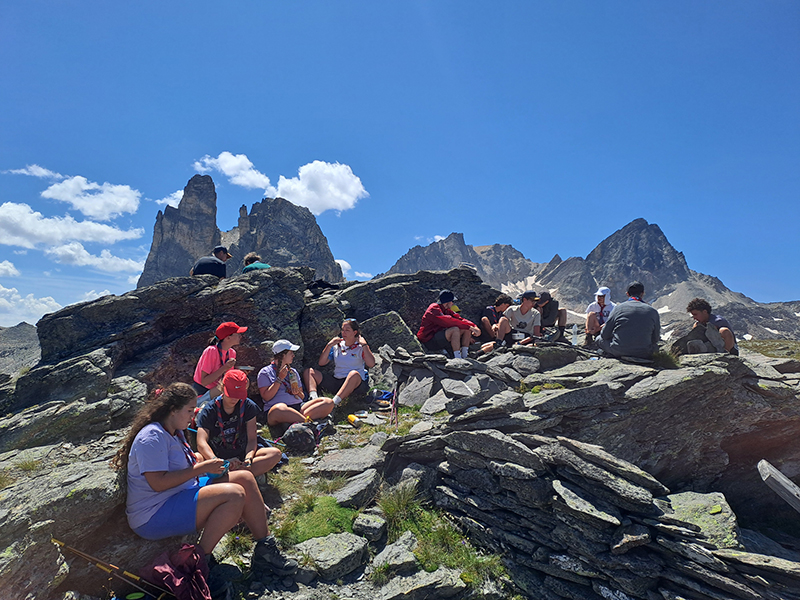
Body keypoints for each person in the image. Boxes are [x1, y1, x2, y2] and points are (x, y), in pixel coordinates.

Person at [112, 383, 297, 577]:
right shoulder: (152, 437)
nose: (194, 415)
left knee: (244, 477)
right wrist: (201, 468)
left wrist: (208, 466)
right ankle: (200, 561)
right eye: (190, 410)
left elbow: (181, 466)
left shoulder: (174, 431)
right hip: (153, 513)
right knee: (234, 495)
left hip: (178, 493)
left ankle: (265, 550)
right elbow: (158, 483)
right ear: (173, 410)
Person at [196, 369, 283, 477]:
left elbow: (252, 439)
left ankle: (229, 477)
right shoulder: (209, 410)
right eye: (231, 394)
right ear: (222, 388)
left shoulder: (248, 406)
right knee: (197, 459)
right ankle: (241, 476)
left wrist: (248, 458)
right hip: (217, 457)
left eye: (238, 395)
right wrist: (217, 461)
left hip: (241, 455)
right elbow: (201, 442)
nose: (234, 399)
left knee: (274, 454)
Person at [258, 340, 334, 431]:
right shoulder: (265, 372)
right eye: (291, 353)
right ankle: (309, 424)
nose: (293, 356)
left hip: (298, 406)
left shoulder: (293, 372)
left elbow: (302, 396)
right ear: (282, 355)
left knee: (328, 402)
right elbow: (266, 397)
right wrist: (279, 379)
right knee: (279, 408)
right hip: (277, 409)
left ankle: (298, 421)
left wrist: (297, 392)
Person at [304, 318, 380, 407]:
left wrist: (364, 345)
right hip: (337, 381)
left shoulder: (360, 347)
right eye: (342, 330)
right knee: (309, 372)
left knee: (353, 374)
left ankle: (334, 403)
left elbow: (371, 364)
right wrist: (329, 345)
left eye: (347, 330)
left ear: (355, 332)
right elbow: (322, 362)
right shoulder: (337, 345)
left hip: (356, 385)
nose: (343, 333)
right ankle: (313, 399)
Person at [597, 281, 660, 359]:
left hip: (619, 350)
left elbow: (604, 335)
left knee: (599, 339)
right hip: (644, 352)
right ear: (643, 293)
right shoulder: (652, 311)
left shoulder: (618, 308)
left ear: (627, 294)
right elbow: (655, 338)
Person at [193, 322, 246, 407]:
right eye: (237, 334)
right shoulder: (211, 351)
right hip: (202, 394)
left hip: (219, 393)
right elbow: (204, 382)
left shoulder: (232, 353)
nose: (241, 336)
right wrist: (224, 368)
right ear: (228, 337)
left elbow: (227, 378)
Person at [416, 290, 480, 358]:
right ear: (447, 302)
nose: (453, 303)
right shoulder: (434, 309)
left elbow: (460, 319)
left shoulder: (446, 310)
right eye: (452, 301)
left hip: (439, 338)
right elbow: (448, 321)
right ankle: (458, 357)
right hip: (429, 340)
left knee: (466, 329)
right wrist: (470, 327)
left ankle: (464, 355)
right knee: (455, 329)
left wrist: (474, 326)